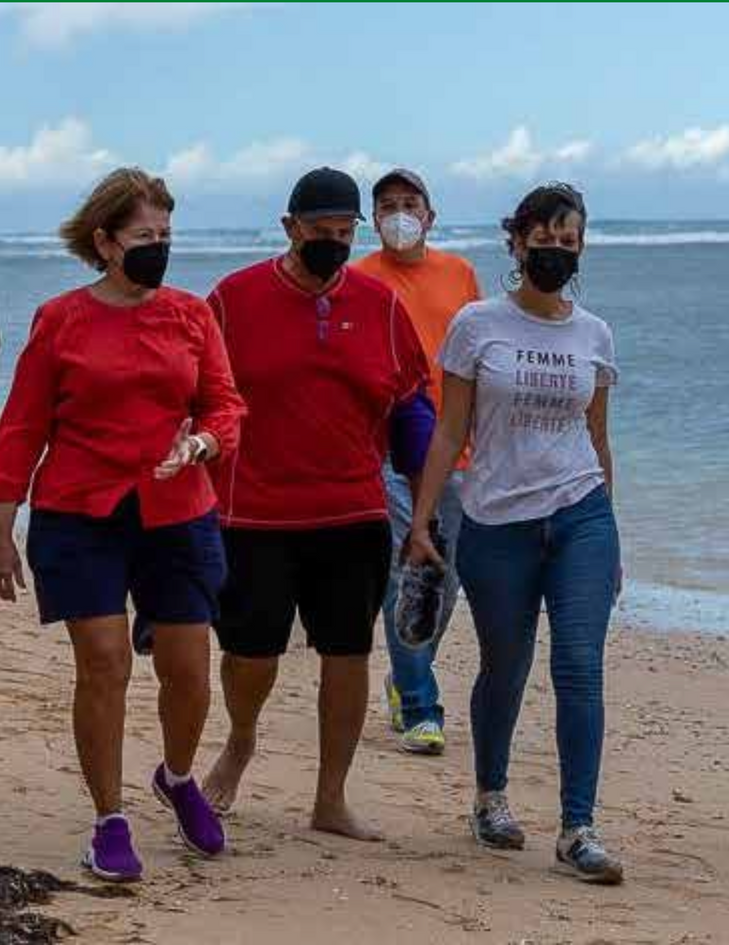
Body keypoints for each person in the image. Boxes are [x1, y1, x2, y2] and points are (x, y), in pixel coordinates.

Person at [0, 168, 245, 882]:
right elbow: (24, 424)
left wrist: (204, 442)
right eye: (143, 236)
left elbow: (225, 403)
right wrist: (1, 525)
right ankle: (109, 819)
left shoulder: (192, 315)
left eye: (166, 235)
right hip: (79, 511)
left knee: (188, 671)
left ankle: (178, 775)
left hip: (178, 511)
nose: (158, 246)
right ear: (104, 242)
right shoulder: (61, 318)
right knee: (104, 661)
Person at [199, 167, 434, 841]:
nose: (333, 242)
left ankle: (330, 797)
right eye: (319, 231)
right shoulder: (233, 300)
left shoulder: (382, 305)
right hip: (254, 511)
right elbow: (200, 399)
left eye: (344, 231)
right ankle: (240, 739)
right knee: (251, 653)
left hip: (353, 510)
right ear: (289, 228)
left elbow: (411, 413)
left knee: (347, 650)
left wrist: (422, 516)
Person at [406, 182, 625, 885]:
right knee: (505, 664)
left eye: (569, 241)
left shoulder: (594, 334)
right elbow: (450, 431)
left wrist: (611, 527)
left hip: (581, 513)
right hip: (498, 519)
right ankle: (490, 796)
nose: (556, 251)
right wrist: (422, 520)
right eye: (545, 238)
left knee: (580, 665)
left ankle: (577, 826)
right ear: (517, 241)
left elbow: (598, 436)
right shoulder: (477, 325)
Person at [354, 168, 483, 756]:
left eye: (410, 204)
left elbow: (482, 357)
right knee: (409, 567)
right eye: (388, 206)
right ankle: (420, 704)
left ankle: (407, 674)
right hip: (388, 454)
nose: (400, 215)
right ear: (374, 218)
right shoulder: (359, 279)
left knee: (447, 576)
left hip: (458, 450)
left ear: (430, 216)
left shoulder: (458, 274)